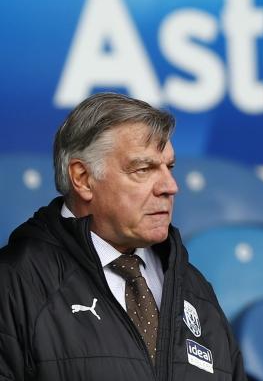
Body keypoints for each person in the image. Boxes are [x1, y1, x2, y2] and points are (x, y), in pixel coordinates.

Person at [0, 93, 246, 380]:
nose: (170, 186)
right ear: (83, 178)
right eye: (143, 169)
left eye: (169, 167)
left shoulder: (197, 290)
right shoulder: (14, 283)